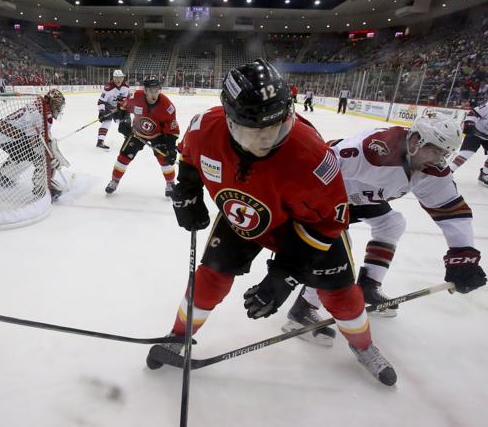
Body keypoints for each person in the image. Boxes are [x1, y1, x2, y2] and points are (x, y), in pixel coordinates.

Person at [148, 59, 397, 386]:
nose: (267, 139)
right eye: (256, 131)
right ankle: (178, 336)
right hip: (244, 212)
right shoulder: (203, 128)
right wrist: (187, 190)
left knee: (341, 295)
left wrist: (286, 274)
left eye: (277, 127)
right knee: (209, 279)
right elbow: (189, 157)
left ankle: (363, 346)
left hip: (306, 227)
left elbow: (327, 223)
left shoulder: (312, 156)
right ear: (230, 121)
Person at [283, 116, 487, 344]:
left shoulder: (432, 170)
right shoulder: (370, 149)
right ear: (416, 141)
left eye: (445, 153)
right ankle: (303, 308)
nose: (439, 160)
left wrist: (464, 256)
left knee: (392, 224)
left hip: (362, 196)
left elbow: (451, 211)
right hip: (327, 196)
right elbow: (319, 167)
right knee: (337, 252)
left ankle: (369, 285)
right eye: (435, 151)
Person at [105, 76, 179, 197]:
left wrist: (171, 149)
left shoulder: (167, 106)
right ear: (145, 90)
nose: (154, 94)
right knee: (124, 157)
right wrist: (123, 122)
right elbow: (122, 107)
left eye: (156, 90)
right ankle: (114, 181)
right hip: (137, 133)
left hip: (158, 135)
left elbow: (172, 130)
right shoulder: (135, 97)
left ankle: (170, 183)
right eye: (150, 90)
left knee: (164, 159)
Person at [0, 89, 67, 201]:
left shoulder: (43, 108)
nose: (58, 108)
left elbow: (43, 136)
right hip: (5, 136)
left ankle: (5, 177)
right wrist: (49, 156)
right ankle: (41, 187)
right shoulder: (37, 114)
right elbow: (34, 142)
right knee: (39, 156)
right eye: (57, 105)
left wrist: (52, 150)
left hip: (12, 134)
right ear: (51, 103)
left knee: (26, 154)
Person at [96, 69, 130, 150]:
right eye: (116, 78)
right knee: (107, 121)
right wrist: (101, 112)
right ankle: (100, 141)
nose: (118, 80)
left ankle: (129, 139)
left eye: (120, 78)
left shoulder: (126, 87)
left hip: (119, 107)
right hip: (108, 106)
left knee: (123, 122)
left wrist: (122, 108)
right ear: (113, 78)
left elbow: (126, 100)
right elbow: (101, 101)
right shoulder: (108, 88)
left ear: (123, 78)